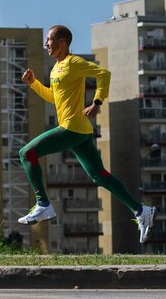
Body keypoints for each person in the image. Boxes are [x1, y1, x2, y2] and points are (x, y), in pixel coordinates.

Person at [17, 25, 156, 243]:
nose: (46, 44)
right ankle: (141, 210)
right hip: (80, 131)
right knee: (99, 175)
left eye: (49, 40)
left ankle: (43, 203)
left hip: (71, 128)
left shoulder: (74, 63)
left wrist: (97, 102)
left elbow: (104, 74)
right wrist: (33, 83)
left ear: (62, 42)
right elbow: (54, 98)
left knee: (26, 153)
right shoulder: (56, 69)